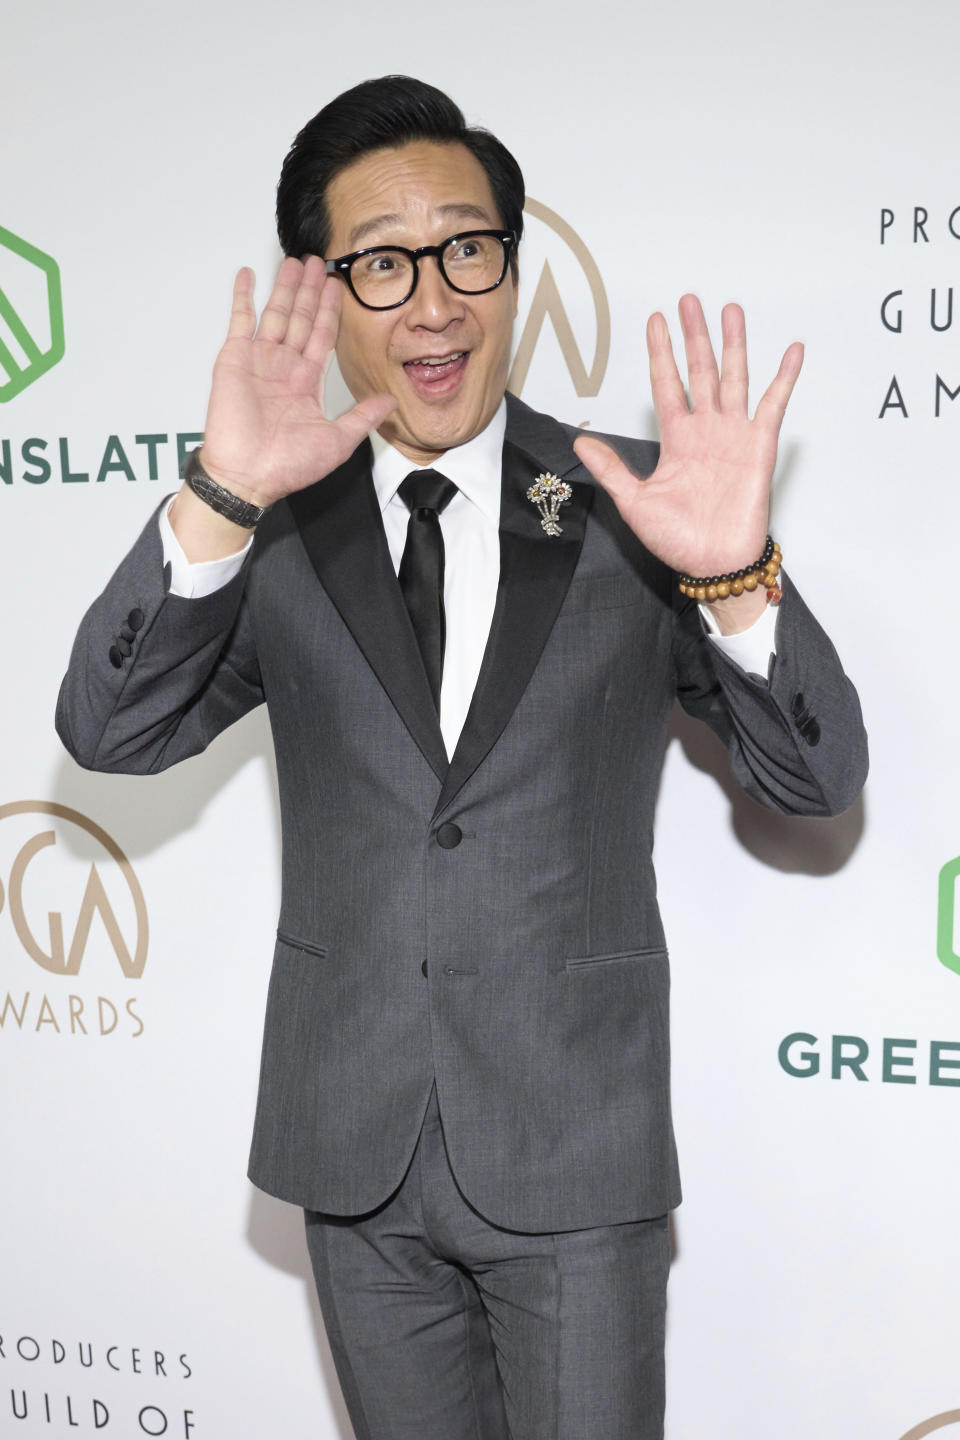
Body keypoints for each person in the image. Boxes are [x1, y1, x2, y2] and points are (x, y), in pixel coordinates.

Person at [57, 75, 867, 1440]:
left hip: (575, 1144)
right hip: (349, 1146)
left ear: (511, 263)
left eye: (466, 248)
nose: (434, 301)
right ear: (322, 292)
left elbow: (816, 781)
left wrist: (737, 576)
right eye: (381, 263)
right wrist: (218, 496)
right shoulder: (274, 524)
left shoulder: (635, 502)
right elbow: (110, 730)